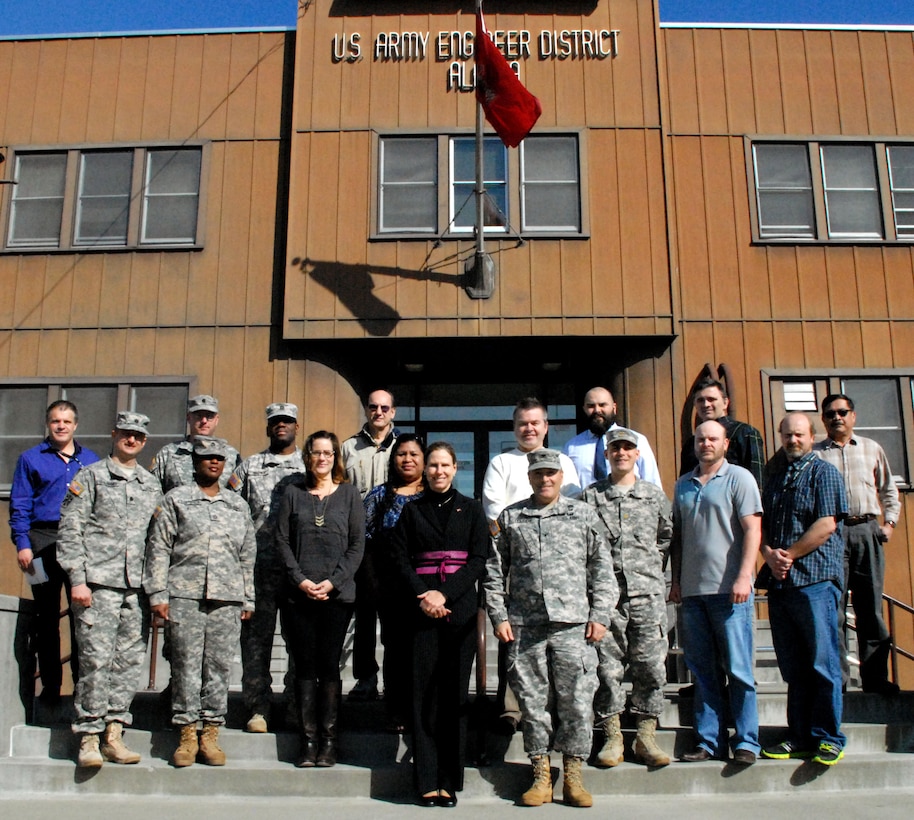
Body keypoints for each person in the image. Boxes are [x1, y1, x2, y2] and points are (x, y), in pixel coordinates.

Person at [485, 449, 616, 808]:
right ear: (529, 477)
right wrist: (499, 616)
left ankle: (573, 774)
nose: (545, 479)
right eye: (538, 474)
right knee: (533, 702)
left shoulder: (583, 515)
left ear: (561, 477)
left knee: (576, 701)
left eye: (551, 474)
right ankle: (541, 773)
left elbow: (602, 570)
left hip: (574, 625)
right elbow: (494, 574)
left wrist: (601, 614)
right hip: (525, 627)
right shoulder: (511, 518)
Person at [57, 411, 161, 767]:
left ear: (145, 442)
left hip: (136, 589)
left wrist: (156, 589)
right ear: (114, 434)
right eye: (126, 433)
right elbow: (71, 530)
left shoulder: (151, 485)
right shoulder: (91, 477)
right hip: (97, 586)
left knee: (128, 664)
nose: (131, 440)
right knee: (95, 661)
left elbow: (157, 541)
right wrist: (77, 580)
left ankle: (114, 732)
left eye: (138, 436)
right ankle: (88, 736)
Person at [144, 437, 256, 768]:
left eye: (219, 459)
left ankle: (211, 732)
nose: (213, 463)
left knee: (219, 666)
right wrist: (158, 594)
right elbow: (159, 547)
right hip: (184, 595)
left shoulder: (238, 506)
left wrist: (248, 596)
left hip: (227, 598)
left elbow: (247, 554)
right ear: (195, 463)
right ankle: (186, 733)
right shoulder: (175, 500)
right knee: (185, 666)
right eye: (206, 458)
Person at [390, 441, 487, 807]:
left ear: (455, 468)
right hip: (421, 613)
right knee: (423, 697)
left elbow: (478, 560)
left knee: (453, 697)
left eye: (445, 465)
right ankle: (426, 779)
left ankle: (449, 779)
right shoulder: (411, 511)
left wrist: (445, 595)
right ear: (425, 470)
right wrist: (425, 595)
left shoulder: (472, 509)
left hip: (459, 611)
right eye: (432, 465)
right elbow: (400, 559)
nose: (438, 471)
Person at [481, 397, 580, 733]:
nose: (529, 428)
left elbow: (573, 508)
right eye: (523, 423)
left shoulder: (563, 461)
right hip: (516, 564)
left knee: (555, 643)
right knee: (514, 637)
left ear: (546, 426)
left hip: (559, 568)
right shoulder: (502, 463)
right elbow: (495, 511)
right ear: (514, 427)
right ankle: (511, 708)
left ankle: (549, 708)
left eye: (535, 422)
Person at [669, 420, 763, 765]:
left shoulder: (740, 478)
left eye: (712, 439)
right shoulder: (683, 484)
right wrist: (677, 581)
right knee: (703, 672)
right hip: (694, 593)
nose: (705, 444)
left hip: (730, 591)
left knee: (738, 670)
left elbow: (753, 529)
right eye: (700, 439)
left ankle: (747, 742)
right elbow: (677, 540)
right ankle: (709, 742)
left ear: (725, 443)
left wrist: (744, 577)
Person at [759, 413, 848, 766]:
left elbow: (826, 524)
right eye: (787, 434)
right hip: (782, 584)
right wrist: (768, 554)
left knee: (821, 662)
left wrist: (790, 555)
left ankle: (828, 737)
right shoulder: (776, 476)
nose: (792, 440)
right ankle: (798, 736)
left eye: (799, 434)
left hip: (814, 580)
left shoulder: (824, 473)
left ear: (812, 436)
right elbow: (761, 521)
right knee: (794, 667)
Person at [583, 428, 673, 769]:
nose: (621, 453)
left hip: (647, 596)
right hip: (606, 601)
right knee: (607, 669)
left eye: (627, 448)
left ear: (637, 454)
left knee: (650, 666)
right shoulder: (590, 498)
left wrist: (647, 571)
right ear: (606, 455)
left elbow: (665, 538)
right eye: (615, 448)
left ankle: (646, 734)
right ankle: (612, 735)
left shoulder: (653, 496)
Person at [275, 431, 365, 768]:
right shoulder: (292, 494)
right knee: (304, 666)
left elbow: (357, 545)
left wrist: (332, 581)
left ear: (335, 458)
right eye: (316, 453)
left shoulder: (349, 495)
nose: (322, 458)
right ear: (308, 457)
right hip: (299, 597)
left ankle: (329, 742)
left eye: (328, 453)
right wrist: (300, 580)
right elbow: (282, 541)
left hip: (337, 596)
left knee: (328, 665)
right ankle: (307, 742)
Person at [10, 400, 101, 705]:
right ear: (48, 425)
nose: (61, 426)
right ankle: (50, 688)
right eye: (55, 421)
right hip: (39, 541)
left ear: (75, 425)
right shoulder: (29, 459)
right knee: (44, 617)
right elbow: (20, 506)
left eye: (66, 421)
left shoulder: (90, 461)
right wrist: (23, 544)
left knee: (81, 617)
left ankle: (81, 688)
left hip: (79, 543)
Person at [813, 393, 902, 695]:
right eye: (830, 414)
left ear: (853, 416)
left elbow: (890, 490)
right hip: (831, 534)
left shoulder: (871, 448)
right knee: (833, 610)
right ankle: (837, 681)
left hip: (866, 530)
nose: (836, 418)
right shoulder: (815, 454)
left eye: (842, 412)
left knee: (870, 609)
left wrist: (889, 524)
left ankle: (875, 679)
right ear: (823, 420)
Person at [228, 403, 306, 733]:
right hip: (258, 568)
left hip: (297, 570)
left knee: (297, 642)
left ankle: (292, 704)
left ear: (296, 427)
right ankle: (257, 707)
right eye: (275, 422)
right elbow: (233, 511)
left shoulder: (308, 467)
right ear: (268, 428)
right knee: (256, 642)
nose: (281, 427)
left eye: (287, 422)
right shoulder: (249, 467)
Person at [362, 433, 426, 729]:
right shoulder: (378, 496)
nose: (408, 459)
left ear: (424, 460)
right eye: (402, 454)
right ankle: (397, 708)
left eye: (414, 454)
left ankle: (423, 709)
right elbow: (364, 540)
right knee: (396, 648)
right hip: (390, 587)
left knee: (423, 647)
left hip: (428, 584)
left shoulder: (432, 495)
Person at [341, 388, 400, 701]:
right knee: (364, 616)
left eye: (384, 407)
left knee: (392, 618)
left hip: (395, 545)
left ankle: (394, 680)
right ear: (367, 409)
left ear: (393, 412)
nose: (379, 412)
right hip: (362, 545)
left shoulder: (405, 447)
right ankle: (365, 678)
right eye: (373, 407)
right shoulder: (349, 447)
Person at [563, 386, 662, 490]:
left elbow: (652, 482)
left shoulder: (637, 440)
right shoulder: (571, 447)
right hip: (585, 504)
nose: (597, 410)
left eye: (602, 405)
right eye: (591, 406)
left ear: (614, 408)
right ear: (584, 409)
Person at [679, 377, 765, 488]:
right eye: (700, 400)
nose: (706, 405)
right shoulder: (691, 443)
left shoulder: (744, 433)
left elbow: (756, 483)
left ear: (725, 403)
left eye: (711, 399)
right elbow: (684, 484)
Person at [150, 394, 240, 493]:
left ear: (216, 420)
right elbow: (153, 493)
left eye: (209, 416)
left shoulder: (230, 455)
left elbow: (237, 494)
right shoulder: (169, 453)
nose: (204, 421)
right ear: (189, 418)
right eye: (198, 416)